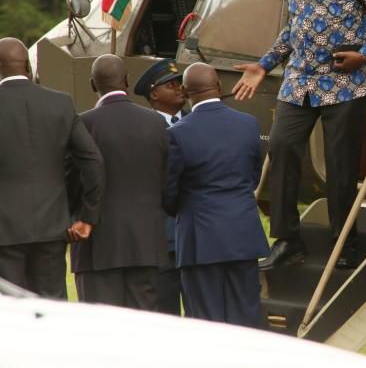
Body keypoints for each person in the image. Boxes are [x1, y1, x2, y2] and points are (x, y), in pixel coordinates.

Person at [232, 0, 366, 270]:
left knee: (340, 164)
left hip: (346, 82)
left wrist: (365, 53)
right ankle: (287, 241)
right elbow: (294, 29)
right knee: (281, 147)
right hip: (300, 81)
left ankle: (344, 243)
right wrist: (264, 64)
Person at [165, 63, 269, 327]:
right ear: (219, 86)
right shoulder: (248, 124)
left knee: (205, 323)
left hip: (200, 240)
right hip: (243, 235)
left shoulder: (177, 133)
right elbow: (253, 176)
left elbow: (169, 192)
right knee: (246, 319)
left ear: (185, 91)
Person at [0, 37, 104, 298]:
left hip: (4, 229)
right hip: (52, 225)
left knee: (9, 310)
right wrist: (87, 216)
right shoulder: (60, 103)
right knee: (52, 304)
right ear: (28, 66)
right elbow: (92, 160)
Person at [71, 55, 169, 310]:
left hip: (97, 244)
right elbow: (167, 178)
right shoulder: (156, 122)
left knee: (101, 327)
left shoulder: (83, 123)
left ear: (93, 84)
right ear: (126, 81)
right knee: (142, 325)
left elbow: (73, 180)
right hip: (145, 243)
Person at [134, 58, 187, 315]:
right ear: (154, 94)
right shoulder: (142, 128)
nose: (179, 88)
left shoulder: (198, 122)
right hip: (161, 239)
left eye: (180, 83)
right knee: (166, 313)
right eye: (171, 85)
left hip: (198, 239)